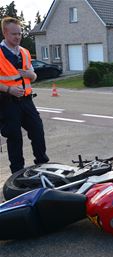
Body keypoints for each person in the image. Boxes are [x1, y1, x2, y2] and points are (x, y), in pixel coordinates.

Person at [0, 17, 49, 173]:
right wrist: (9, 89)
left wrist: (30, 74)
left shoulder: (25, 52)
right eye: (14, 34)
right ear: (5, 33)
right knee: (14, 137)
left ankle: (43, 164)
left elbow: (33, 76)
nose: (18, 37)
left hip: (27, 101)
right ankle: (17, 172)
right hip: (7, 102)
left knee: (37, 130)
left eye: (20, 33)